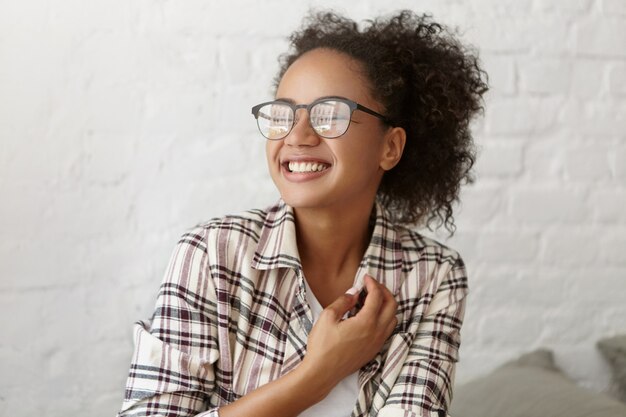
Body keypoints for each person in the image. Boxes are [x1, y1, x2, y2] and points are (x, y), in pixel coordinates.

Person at [117, 9, 488, 417]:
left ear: (390, 148)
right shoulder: (211, 254)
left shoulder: (434, 275)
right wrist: (318, 375)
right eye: (283, 114)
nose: (298, 135)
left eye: (330, 114)